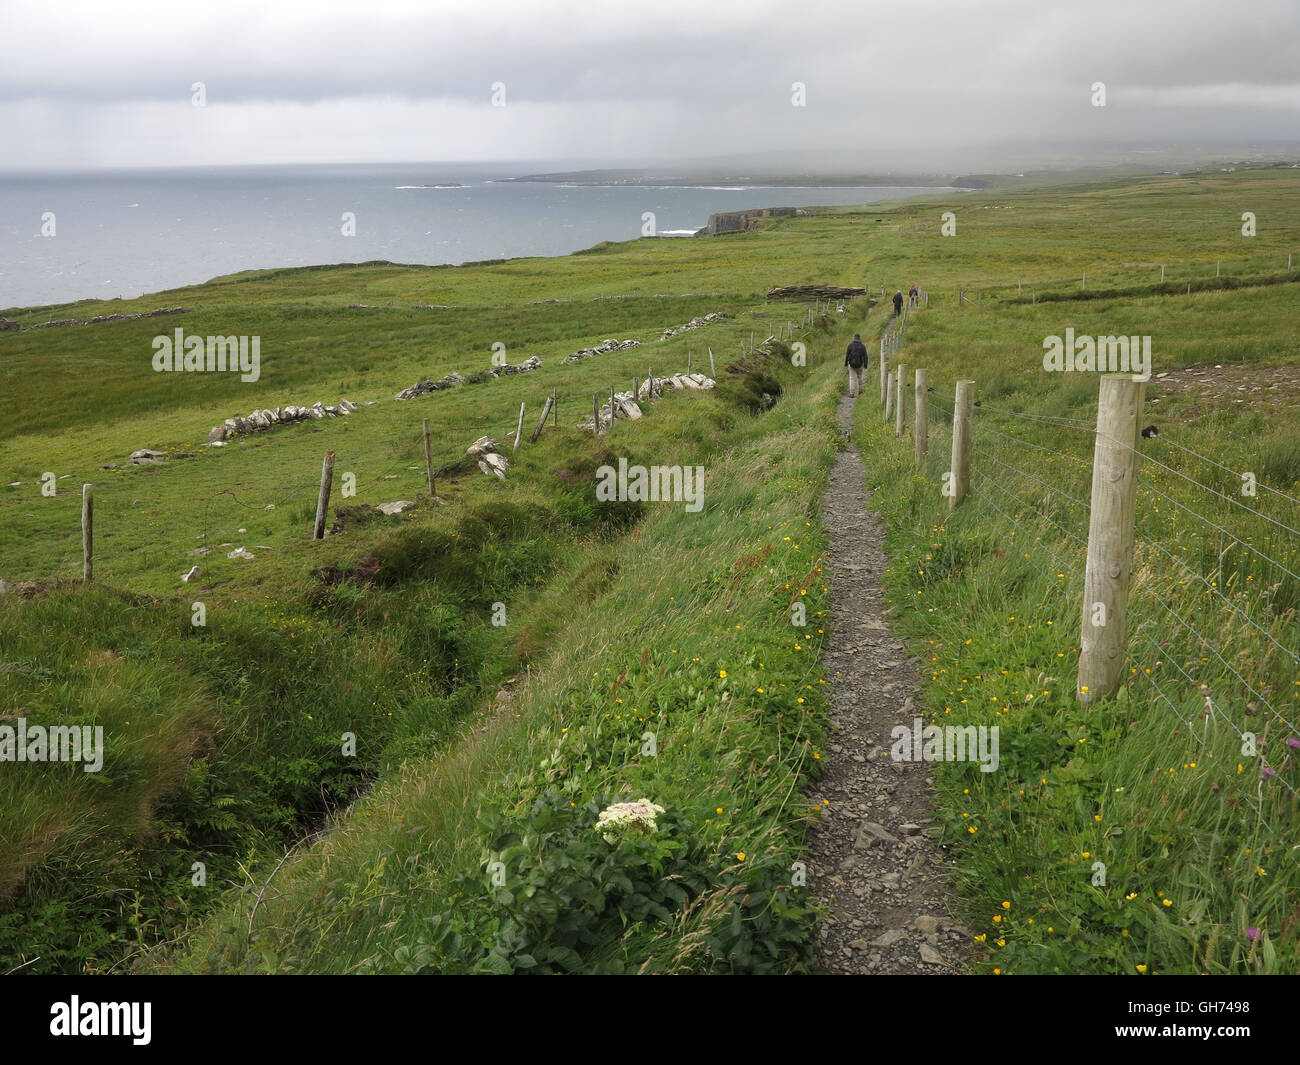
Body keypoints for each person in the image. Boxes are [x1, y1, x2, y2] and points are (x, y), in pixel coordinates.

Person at [844, 332, 869, 397]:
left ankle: (852, 393)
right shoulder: (862, 346)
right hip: (860, 364)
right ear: (859, 338)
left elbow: (847, 355)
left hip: (851, 365)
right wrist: (865, 365)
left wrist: (846, 363)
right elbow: (865, 356)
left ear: (854, 338)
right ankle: (860, 391)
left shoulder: (850, 346)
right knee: (859, 377)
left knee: (852, 378)